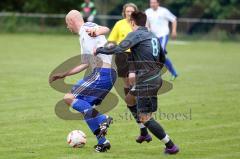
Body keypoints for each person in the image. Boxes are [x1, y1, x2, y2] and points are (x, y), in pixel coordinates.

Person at [95, 11, 179, 155]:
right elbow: (162, 58)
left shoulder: (136, 34)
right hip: (153, 78)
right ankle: (144, 132)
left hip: (146, 80)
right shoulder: (152, 36)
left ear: (132, 22)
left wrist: (100, 50)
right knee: (129, 99)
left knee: (145, 117)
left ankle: (170, 146)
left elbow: (119, 48)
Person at [49, 10, 116, 153]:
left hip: (102, 73)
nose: (68, 27)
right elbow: (85, 63)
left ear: (71, 21)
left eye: (67, 24)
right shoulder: (82, 38)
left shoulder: (87, 27)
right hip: (104, 74)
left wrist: (96, 31)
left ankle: (104, 118)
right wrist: (64, 74)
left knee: (69, 98)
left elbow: (106, 29)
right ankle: (103, 142)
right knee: (86, 108)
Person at [108, 3, 152, 144]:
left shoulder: (139, 25)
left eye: (131, 11)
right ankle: (143, 129)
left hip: (136, 57)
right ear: (124, 12)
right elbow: (111, 40)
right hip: (122, 57)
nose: (129, 13)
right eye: (127, 11)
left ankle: (144, 120)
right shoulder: (119, 24)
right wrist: (106, 47)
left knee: (134, 93)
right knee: (128, 95)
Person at [145, 0, 178, 81]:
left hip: (163, 35)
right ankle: (174, 73)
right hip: (153, 37)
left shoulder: (164, 11)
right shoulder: (147, 12)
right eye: (151, 2)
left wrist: (174, 31)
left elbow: (174, 19)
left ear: (158, 3)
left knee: (159, 54)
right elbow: (146, 23)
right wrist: (147, 28)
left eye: (154, 2)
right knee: (160, 56)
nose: (152, 4)